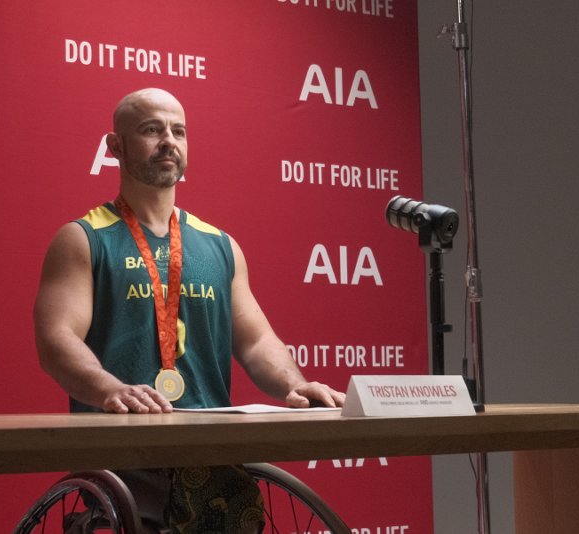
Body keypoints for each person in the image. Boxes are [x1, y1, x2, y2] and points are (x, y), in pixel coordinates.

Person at [33, 88, 345, 533]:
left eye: (178, 131)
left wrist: (296, 386)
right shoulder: (83, 238)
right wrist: (109, 390)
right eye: (150, 130)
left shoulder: (220, 245)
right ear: (115, 147)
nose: (168, 140)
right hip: (126, 460)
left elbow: (256, 341)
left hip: (209, 454)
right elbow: (56, 341)